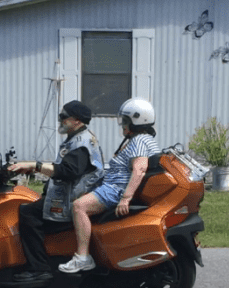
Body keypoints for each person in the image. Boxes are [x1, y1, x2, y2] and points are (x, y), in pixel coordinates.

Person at [7, 100, 104, 287]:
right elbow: (62, 167)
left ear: (76, 120)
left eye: (63, 117)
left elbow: (68, 171)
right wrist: (34, 170)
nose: (60, 120)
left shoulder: (82, 143)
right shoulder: (79, 138)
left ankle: (38, 269)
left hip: (72, 199)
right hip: (70, 194)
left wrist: (34, 165)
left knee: (28, 213)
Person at [59, 98, 161, 274]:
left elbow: (139, 168)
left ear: (137, 122)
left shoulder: (139, 141)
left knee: (79, 206)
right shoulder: (143, 139)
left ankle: (82, 258)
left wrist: (125, 198)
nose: (123, 125)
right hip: (113, 187)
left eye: (126, 121)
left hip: (115, 190)